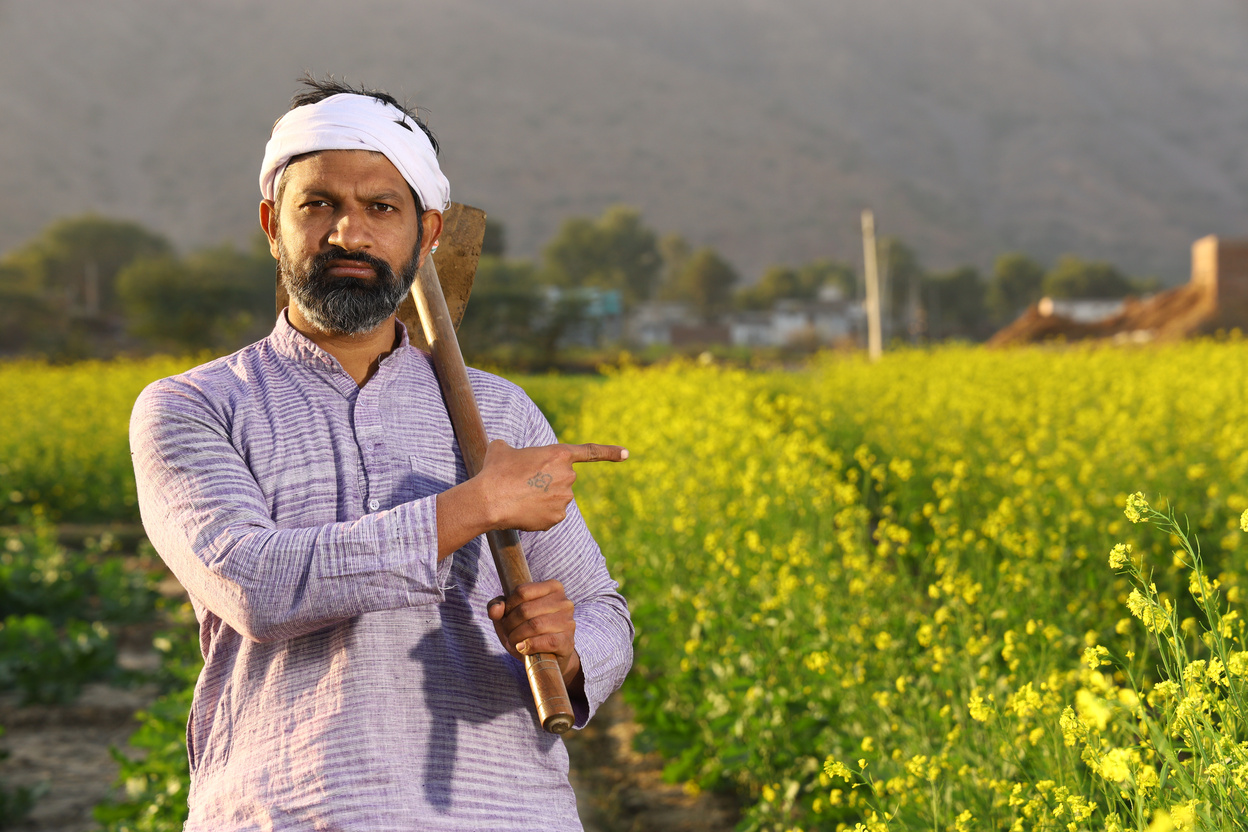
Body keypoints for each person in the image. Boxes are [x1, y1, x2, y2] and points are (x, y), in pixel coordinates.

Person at [129, 77, 633, 831]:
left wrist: (567, 651)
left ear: (426, 236)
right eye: (319, 205)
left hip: (505, 811)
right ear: (273, 224)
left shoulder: (500, 412)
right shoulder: (194, 406)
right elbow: (255, 586)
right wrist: (473, 506)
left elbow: (601, 610)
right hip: (284, 811)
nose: (349, 234)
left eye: (381, 208)